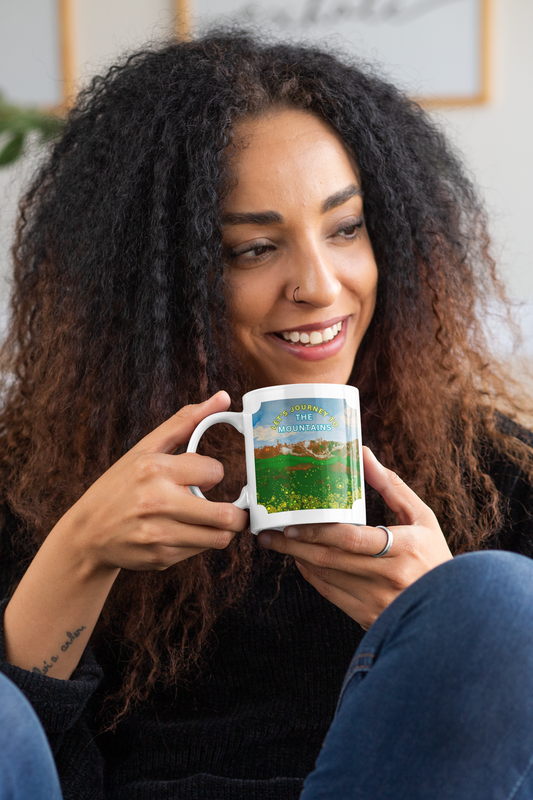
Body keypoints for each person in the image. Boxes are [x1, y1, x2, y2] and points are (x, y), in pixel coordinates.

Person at [0, 27, 532, 800]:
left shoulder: (494, 479)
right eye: (252, 249)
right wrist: (78, 554)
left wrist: (439, 626)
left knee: (493, 602)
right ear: (152, 284)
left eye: (345, 229)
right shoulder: (30, 482)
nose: (319, 284)